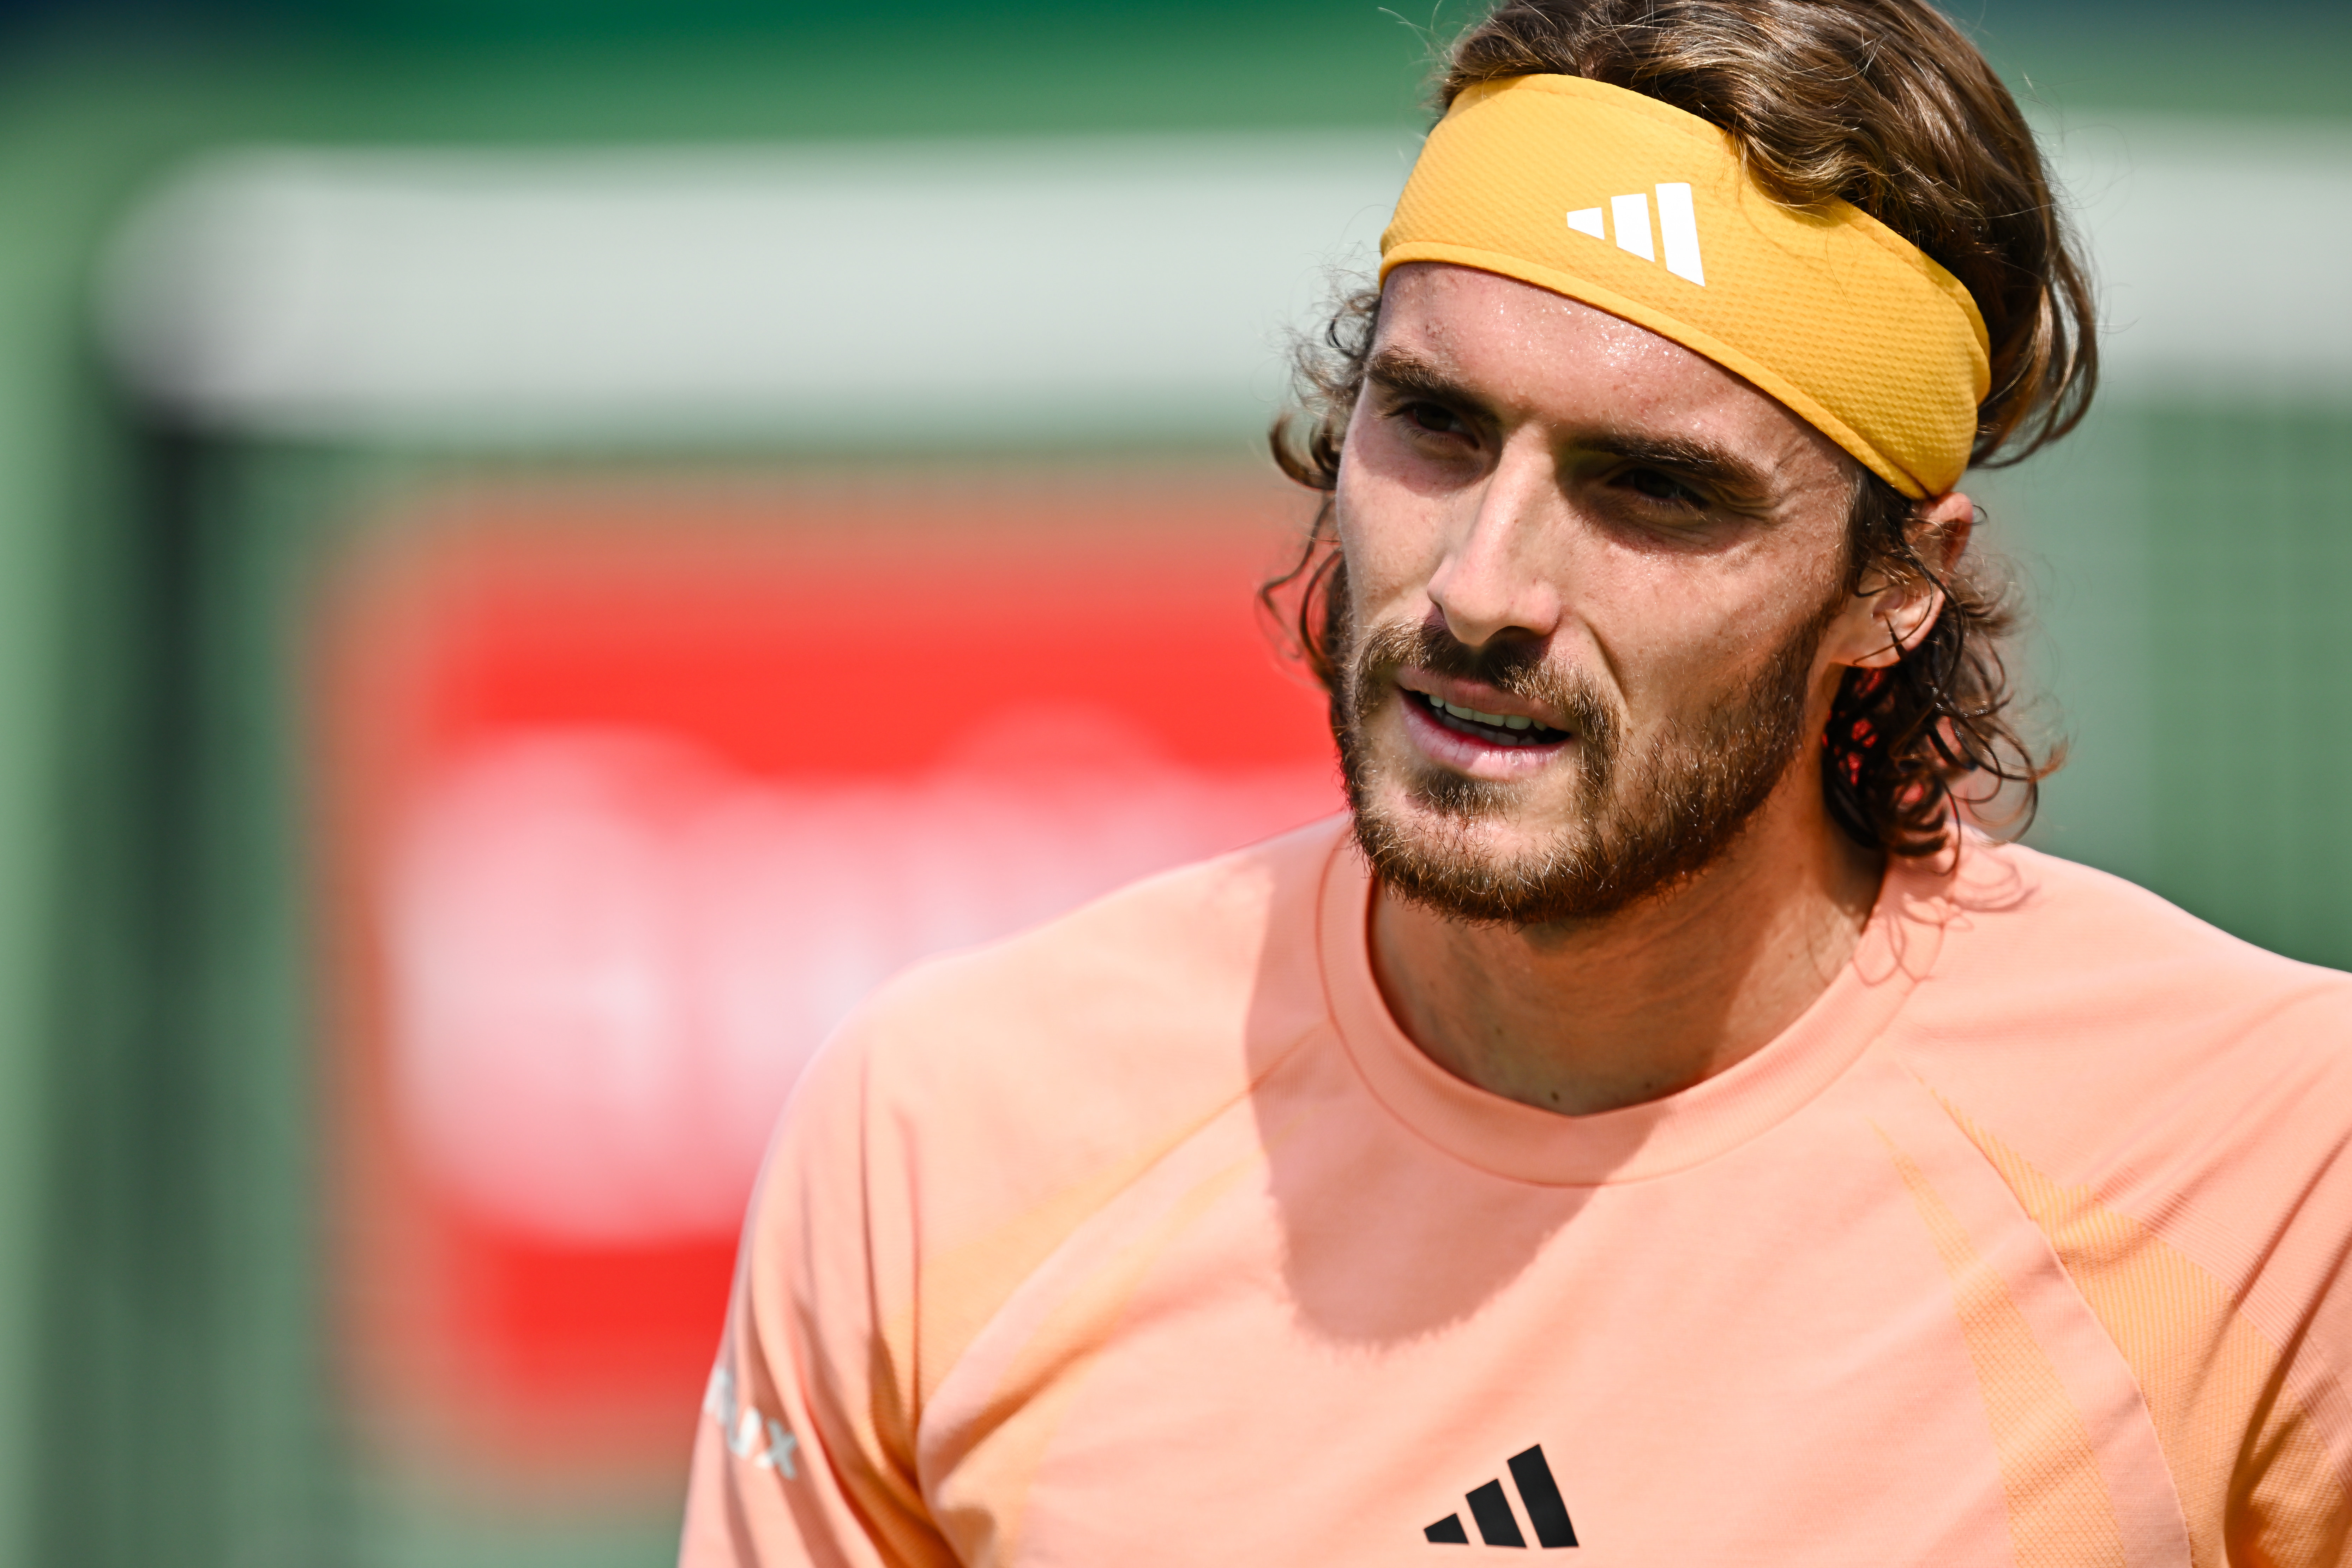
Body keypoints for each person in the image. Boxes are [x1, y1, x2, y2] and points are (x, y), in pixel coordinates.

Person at [681, 1, 2352, 1562]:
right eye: (1435, 424)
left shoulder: (2277, 1168)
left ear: (1889, 588)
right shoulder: (941, 1136)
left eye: (1655, 490)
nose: (1482, 586)